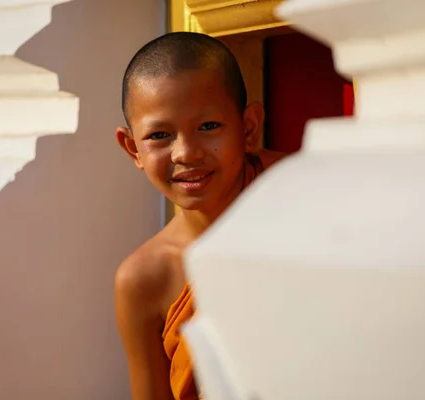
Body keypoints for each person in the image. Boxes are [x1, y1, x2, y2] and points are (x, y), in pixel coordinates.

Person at [114, 31, 286, 400]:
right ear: (133, 149)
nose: (186, 153)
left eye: (208, 127)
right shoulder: (145, 278)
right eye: (159, 134)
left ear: (249, 127)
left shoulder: (300, 195)